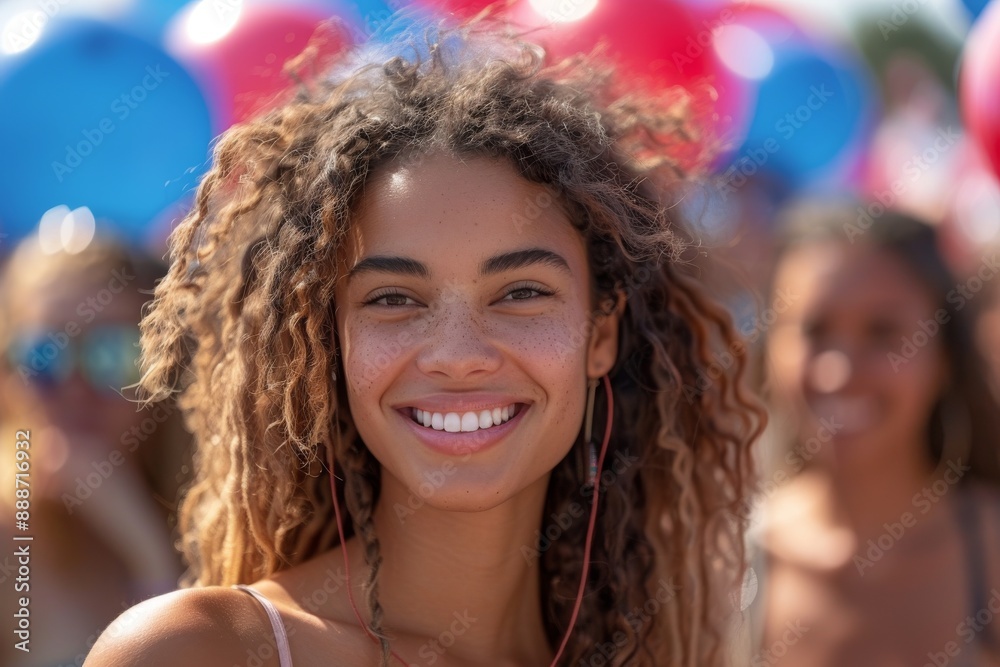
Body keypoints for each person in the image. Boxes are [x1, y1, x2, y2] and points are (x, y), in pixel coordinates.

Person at [85, 17, 765, 667]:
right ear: (332, 341)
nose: (457, 353)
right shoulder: (198, 651)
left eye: (521, 292)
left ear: (601, 334)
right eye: (394, 300)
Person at [746, 200, 1000, 665]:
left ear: (943, 356)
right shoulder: (722, 567)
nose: (838, 372)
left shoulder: (990, 553)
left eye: (883, 333)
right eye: (814, 329)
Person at [0, 235, 187, 666]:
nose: (74, 387)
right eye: (43, 358)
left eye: (112, 354)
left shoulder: (221, 525)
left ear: (166, 371)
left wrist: (150, 555)